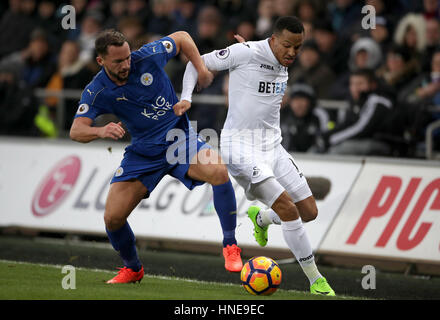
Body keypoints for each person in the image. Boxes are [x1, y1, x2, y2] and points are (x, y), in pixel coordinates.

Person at [69, 29, 243, 284]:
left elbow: (183, 37)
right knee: (113, 218)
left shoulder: (147, 56)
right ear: (100, 61)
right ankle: (132, 268)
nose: (127, 64)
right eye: (118, 61)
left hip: (178, 140)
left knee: (218, 171)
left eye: (127, 57)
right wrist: (100, 130)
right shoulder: (97, 91)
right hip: (143, 153)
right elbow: (76, 131)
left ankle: (230, 245)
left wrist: (201, 68)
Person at [177, 16, 335, 296]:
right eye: (287, 45)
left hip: (273, 146)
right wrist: (187, 97)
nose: (292, 53)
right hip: (239, 147)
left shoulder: (280, 60)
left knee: (309, 211)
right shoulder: (246, 52)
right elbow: (194, 63)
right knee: (288, 208)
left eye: (297, 48)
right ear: (273, 40)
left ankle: (261, 218)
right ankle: (316, 281)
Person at [316, 68, 398, 156]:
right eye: (352, 84)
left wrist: (331, 140)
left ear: (372, 85)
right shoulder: (358, 101)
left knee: (338, 149)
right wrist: (326, 135)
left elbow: (362, 128)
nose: (355, 88)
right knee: (317, 148)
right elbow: (348, 124)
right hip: (363, 141)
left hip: (383, 143)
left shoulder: (378, 101)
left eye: (360, 84)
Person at [281, 83, 330, 152]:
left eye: (303, 99)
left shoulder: (318, 117)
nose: (299, 104)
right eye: (295, 99)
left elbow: (323, 144)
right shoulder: (282, 116)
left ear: (310, 102)